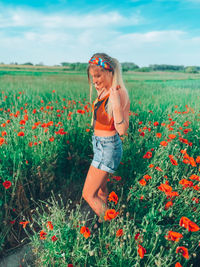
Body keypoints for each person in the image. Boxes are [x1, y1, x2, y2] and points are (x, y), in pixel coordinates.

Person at [82, 53, 130, 229]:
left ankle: (115, 228)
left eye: (98, 75)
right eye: (92, 76)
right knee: (101, 191)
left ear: (109, 72)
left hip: (107, 147)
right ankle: (104, 220)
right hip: (100, 145)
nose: (94, 80)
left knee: (88, 194)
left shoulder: (119, 93)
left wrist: (116, 106)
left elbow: (122, 130)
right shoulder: (102, 90)